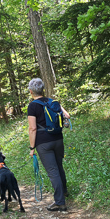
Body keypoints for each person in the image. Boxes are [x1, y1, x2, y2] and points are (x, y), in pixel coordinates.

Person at [27, 78, 71, 211]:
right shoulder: (52, 101)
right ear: (43, 89)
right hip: (58, 139)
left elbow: (32, 128)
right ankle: (63, 192)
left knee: (52, 171)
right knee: (59, 166)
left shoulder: (33, 106)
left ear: (31, 91)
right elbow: (67, 115)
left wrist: (32, 147)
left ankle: (60, 202)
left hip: (43, 143)